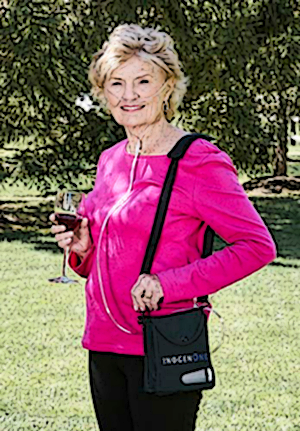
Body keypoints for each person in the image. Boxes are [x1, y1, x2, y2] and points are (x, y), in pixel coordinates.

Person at [50, 23, 277, 431]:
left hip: (163, 345)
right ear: (103, 92)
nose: (129, 95)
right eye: (116, 83)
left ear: (167, 86)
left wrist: (169, 284)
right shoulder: (110, 160)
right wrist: (82, 247)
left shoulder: (199, 161)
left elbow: (256, 246)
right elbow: (98, 260)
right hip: (102, 342)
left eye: (143, 81)